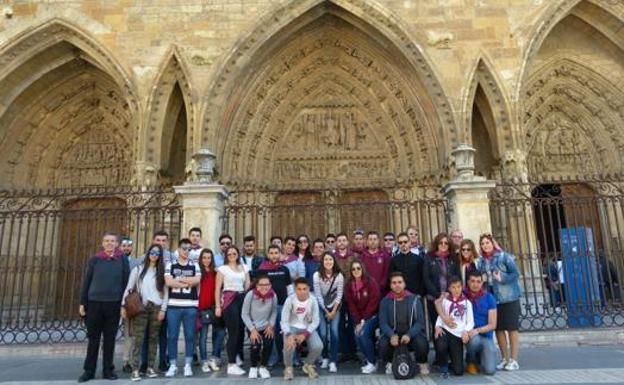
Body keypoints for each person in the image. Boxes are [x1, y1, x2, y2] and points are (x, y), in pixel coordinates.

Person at [78, 232, 130, 383]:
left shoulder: (122, 260)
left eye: (112, 241)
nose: (109, 243)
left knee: (109, 339)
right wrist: (83, 303)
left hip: (113, 304)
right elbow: (87, 281)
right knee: (93, 339)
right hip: (94, 303)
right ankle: (89, 371)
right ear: (102, 243)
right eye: (107, 241)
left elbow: (126, 284)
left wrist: (123, 305)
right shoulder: (95, 259)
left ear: (116, 244)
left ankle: (108, 370)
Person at [121, 244, 168, 381]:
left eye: (157, 253)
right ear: (148, 253)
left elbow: (166, 294)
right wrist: (123, 306)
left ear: (160, 256)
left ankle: (150, 367)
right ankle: (135, 369)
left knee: (153, 339)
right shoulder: (138, 269)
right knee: (138, 339)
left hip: (156, 308)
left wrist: (163, 310)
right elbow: (129, 289)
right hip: (141, 308)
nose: (154, 255)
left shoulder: (162, 272)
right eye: (152, 252)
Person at [476, 233, 522, 371]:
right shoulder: (482, 262)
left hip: (509, 297)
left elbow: (516, 274)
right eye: (483, 244)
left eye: (487, 243)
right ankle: (504, 359)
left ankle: (514, 360)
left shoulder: (504, 256)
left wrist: (503, 278)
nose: (485, 246)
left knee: (512, 328)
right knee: (499, 329)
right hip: (493, 299)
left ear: (492, 243)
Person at [378, 272, 429, 376]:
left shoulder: (414, 299)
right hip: (393, 335)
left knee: (422, 343)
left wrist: (409, 334)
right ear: (390, 285)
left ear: (404, 284)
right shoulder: (385, 301)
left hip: (410, 334)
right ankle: (390, 362)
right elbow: (383, 323)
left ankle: (421, 362)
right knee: (382, 344)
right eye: (394, 283)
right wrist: (391, 335)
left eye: (400, 282)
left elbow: (420, 322)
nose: (397, 285)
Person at [164, 238, 201, 378]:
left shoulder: (194, 264)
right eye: (184, 248)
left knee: (189, 336)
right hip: (173, 305)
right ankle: (173, 365)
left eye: (189, 249)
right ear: (178, 249)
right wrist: (187, 283)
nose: (186, 251)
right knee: (172, 336)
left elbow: (197, 280)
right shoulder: (170, 264)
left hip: (190, 306)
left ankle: (187, 365)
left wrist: (177, 280)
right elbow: (168, 282)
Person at [215, 245, 251, 375]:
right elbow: (217, 288)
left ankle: (236, 356)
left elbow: (247, 283)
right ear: (226, 256)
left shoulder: (244, 267)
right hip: (229, 299)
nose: (231, 256)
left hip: (241, 298)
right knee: (233, 331)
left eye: (234, 253)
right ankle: (231, 364)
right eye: (229, 254)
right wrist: (218, 306)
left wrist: (244, 290)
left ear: (238, 254)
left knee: (241, 330)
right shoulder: (222, 269)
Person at [255, 245, 292, 368]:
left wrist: (291, 304)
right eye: (271, 253)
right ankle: (273, 357)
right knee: (271, 333)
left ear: (280, 254)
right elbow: (259, 289)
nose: (274, 255)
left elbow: (289, 287)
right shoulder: (262, 270)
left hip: (283, 305)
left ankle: (289, 357)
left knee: (285, 332)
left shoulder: (285, 269)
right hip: (268, 307)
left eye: (276, 253)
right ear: (268, 254)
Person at [281, 278, 323, 380]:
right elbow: (284, 321)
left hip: (307, 328)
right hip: (292, 327)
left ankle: (308, 365)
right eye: (299, 289)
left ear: (309, 289)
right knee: (288, 344)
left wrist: (305, 334)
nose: (302, 291)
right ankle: (288, 367)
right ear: (295, 289)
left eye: (305, 289)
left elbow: (316, 321)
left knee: (318, 346)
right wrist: (288, 334)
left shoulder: (313, 300)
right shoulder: (290, 300)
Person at [434, 276, 474, 378]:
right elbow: (441, 315)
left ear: (462, 287)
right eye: (453, 287)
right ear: (449, 289)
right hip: (446, 330)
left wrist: (466, 331)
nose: (456, 290)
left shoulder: (467, 303)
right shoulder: (445, 301)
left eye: (458, 287)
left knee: (459, 371)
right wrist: (438, 326)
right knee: (440, 344)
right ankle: (443, 366)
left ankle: (453, 360)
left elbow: (470, 321)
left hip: (458, 334)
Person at [345, 260, 380, 374]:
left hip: (373, 315)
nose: (356, 271)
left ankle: (372, 362)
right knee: (357, 335)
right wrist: (358, 321)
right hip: (359, 318)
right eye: (353, 269)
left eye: (358, 268)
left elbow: (373, 303)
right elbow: (351, 305)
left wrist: (363, 321)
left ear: (362, 269)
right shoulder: (349, 285)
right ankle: (369, 359)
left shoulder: (371, 282)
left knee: (363, 334)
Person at [423, 232, 460, 334]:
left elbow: (457, 277)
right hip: (434, 298)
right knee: (437, 325)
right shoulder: (429, 257)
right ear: (436, 244)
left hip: (450, 297)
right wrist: (438, 294)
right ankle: (440, 349)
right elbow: (426, 278)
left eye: (446, 243)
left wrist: (449, 293)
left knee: (451, 324)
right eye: (440, 243)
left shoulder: (453, 258)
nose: (443, 245)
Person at [242, 275, 277, 379]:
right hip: (253, 326)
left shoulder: (273, 295)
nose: (264, 287)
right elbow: (244, 314)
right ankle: (253, 367)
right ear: (257, 286)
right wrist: (252, 329)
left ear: (270, 285)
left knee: (268, 343)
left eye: (267, 284)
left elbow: (274, 311)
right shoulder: (250, 295)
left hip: (266, 325)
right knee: (255, 345)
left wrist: (271, 324)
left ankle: (263, 367)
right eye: (261, 284)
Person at [313, 253, 344, 373]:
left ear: (334, 261)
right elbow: (318, 296)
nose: (328, 262)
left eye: (330, 259)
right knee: (323, 333)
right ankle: (325, 357)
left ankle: (333, 361)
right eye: (325, 259)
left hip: (335, 306)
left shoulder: (339, 276)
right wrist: (326, 311)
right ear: (322, 261)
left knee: (334, 332)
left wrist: (333, 311)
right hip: (322, 307)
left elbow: (339, 295)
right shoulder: (316, 275)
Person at [197, 248, 225, 373]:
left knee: (219, 333)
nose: (206, 260)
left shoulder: (215, 272)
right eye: (204, 257)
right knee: (203, 337)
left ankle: (214, 358)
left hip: (214, 307)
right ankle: (203, 361)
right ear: (200, 259)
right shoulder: (197, 271)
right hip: (201, 308)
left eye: (209, 257)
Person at [464, 270, 498, 375]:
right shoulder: (463, 296)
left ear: (482, 283)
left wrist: (478, 330)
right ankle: (471, 362)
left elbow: (493, 324)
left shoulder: (489, 297)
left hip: (486, 336)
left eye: (478, 282)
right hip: (470, 336)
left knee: (490, 371)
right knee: (474, 341)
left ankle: (481, 357)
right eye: (473, 281)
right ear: (468, 282)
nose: (475, 284)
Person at [332, 232, 358, 363]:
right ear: (337, 243)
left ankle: (354, 351)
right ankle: (344, 352)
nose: (341, 242)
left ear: (347, 242)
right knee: (340, 324)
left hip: (352, 295)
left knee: (353, 323)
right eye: (339, 240)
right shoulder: (332, 257)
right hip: (337, 296)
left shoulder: (354, 257)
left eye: (344, 240)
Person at [150, 231, 172, 371]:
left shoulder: (172, 257)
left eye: (164, 240)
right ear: (153, 241)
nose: (161, 243)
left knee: (164, 333)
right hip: (151, 301)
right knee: (149, 334)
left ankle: (163, 360)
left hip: (168, 299)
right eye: (158, 240)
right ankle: (146, 362)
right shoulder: (146, 258)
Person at [120, 236, 141, 374]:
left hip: (128, 302)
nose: (126, 248)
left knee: (130, 332)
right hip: (113, 301)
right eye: (124, 246)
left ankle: (127, 360)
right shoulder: (113, 261)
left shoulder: (135, 263)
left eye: (129, 246)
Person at [389, 232, 425, 297]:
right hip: (399, 295)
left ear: (409, 243)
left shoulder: (418, 259)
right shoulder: (393, 260)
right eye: (400, 242)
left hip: (416, 294)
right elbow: (391, 278)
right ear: (398, 244)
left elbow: (422, 278)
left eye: (405, 242)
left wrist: (421, 293)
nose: (403, 244)